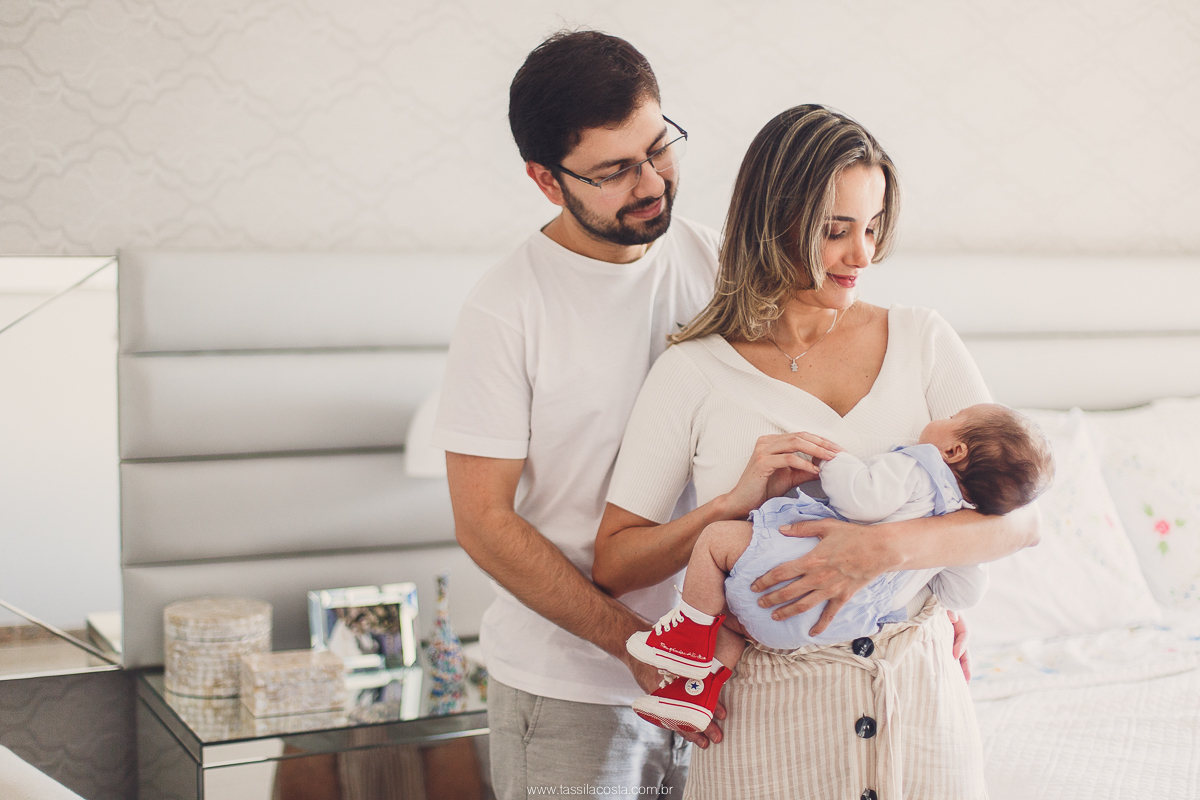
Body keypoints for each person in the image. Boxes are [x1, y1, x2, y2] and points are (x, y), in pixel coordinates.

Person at [593, 104, 1042, 799]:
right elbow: (616, 562)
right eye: (835, 232)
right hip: (769, 732)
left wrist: (880, 550)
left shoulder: (922, 341)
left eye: (872, 227)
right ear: (774, 222)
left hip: (920, 713)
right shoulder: (693, 373)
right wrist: (729, 504)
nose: (862, 255)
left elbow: (1021, 522)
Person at [431, 30, 721, 798]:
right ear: (546, 181)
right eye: (616, 170)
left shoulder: (722, 268)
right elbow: (484, 523)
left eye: (659, 148)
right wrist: (635, 645)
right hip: (569, 694)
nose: (653, 181)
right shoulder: (505, 310)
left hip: (721, 682)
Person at [626, 403, 1054, 732]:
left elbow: (861, 499)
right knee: (738, 626)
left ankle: (686, 638)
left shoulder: (917, 467)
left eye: (955, 416)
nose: (944, 414)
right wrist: (958, 553)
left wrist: (834, 459)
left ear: (954, 450)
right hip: (834, 625)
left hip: (792, 571)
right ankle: (695, 695)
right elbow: (963, 595)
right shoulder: (959, 531)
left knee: (716, 542)